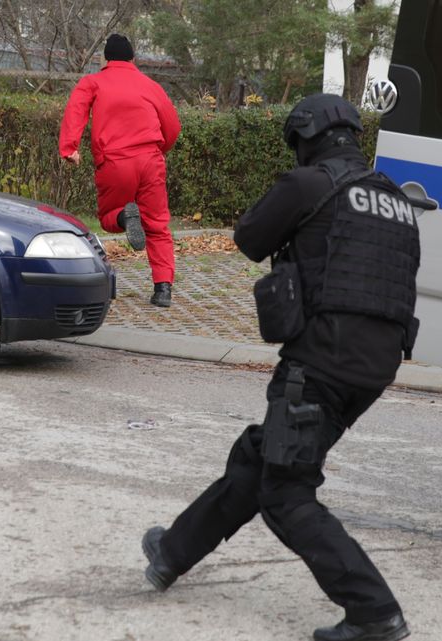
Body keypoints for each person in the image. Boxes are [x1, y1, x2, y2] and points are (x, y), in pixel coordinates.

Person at [140, 94, 421, 641]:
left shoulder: (310, 185)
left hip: (322, 360)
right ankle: (173, 551)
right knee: (261, 454)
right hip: (374, 366)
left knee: (286, 490)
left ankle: (373, 611)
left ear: (307, 135)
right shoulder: (394, 199)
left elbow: (249, 239)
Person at [58, 33, 181, 307]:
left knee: (106, 217)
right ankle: (163, 289)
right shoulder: (150, 85)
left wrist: (69, 147)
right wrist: (159, 151)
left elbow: (75, 111)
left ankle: (125, 217)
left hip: (115, 162)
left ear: (105, 60)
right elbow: (172, 127)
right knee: (157, 224)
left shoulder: (93, 82)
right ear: (133, 59)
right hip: (150, 160)